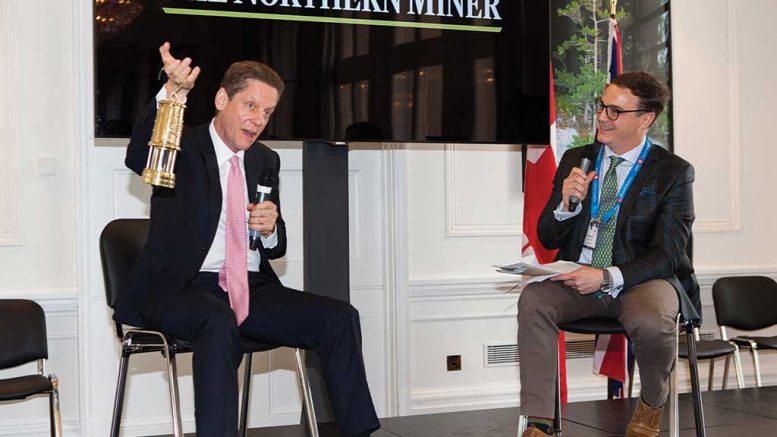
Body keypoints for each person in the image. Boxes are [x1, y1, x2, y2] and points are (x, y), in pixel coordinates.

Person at [117, 42, 380, 437]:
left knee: (339, 317)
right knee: (217, 321)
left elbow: (278, 245)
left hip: (248, 286)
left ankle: (360, 432)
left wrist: (272, 229)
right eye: (251, 106)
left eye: (268, 112)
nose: (259, 120)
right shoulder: (184, 146)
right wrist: (171, 94)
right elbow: (141, 156)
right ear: (223, 98)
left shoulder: (265, 160)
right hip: (181, 287)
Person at [517, 72, 700, 437]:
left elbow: (668, 253)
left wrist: (606, 276)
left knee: (653, 318)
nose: (602, 117)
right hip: (578, 276)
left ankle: (651, 403)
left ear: (645, 118)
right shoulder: (577, 158)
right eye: (602, 106)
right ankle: (539, 423)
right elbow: (547, 235)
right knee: (533, 300)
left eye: (615, 111)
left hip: (641, 280)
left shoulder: (672, 173)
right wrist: (567, 206)